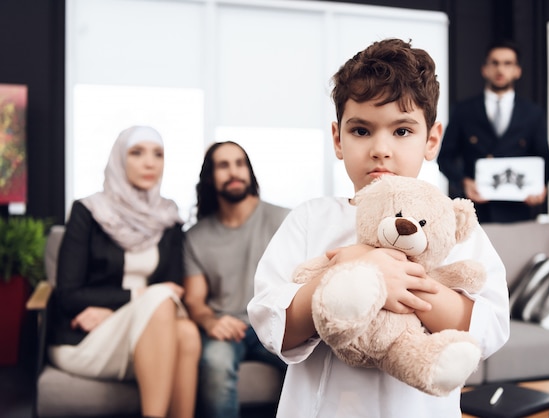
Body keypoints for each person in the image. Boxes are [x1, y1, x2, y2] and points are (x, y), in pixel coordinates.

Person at [247, 38, 510, 417]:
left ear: (431, 140)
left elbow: (488, 328)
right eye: (362, 131)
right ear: (338, 139)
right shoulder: (310, 219)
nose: (380, 148)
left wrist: (401, 283)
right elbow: (273, 325)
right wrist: (350, 272)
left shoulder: (451, 227)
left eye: (402, 131)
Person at [48, 125, 201, 418]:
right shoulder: (88, 212)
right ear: (119, 158)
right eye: (137, 152)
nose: (149, 162)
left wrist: (115, 308)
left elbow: (175, 289)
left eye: (158, 154)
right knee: (158, 297)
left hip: (148, 335)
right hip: (87, 339)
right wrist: (136, 297)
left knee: (187, 332)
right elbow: (68, 295)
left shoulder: (168, 218)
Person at [182, 141, 289, 418]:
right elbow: (194, 299)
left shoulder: (283, 219)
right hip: (228, 327)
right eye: (223, 165)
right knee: (215, 363)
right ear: (209, 177)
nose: (234, 172)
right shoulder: (195, 237)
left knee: (310, 360)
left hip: (276, 322)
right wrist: (211, 321)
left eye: (240, 164)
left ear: (249, 172)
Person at [437, 39, 549, 223]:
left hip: (518, 213)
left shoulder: (533, 113)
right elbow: (445, 157)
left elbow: (544, 159)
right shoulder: (463, 110)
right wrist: (463, 182)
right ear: (485, 69)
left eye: (508, 64)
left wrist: (539, 186)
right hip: (475, 213)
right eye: (495, 63)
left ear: (517, 70)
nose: (500, 69)